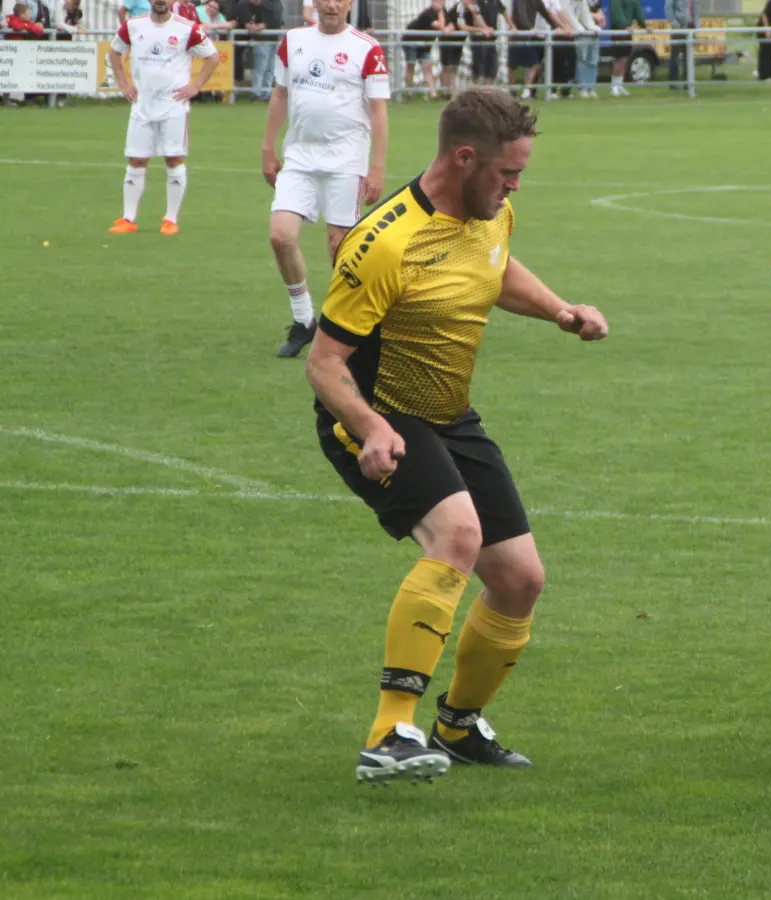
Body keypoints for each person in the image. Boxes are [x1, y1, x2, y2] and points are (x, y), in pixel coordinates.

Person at [306, 88, 609, 785]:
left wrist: (561, 311)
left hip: (448, 414)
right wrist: (371, 427)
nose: (514, 187)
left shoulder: (489, 210)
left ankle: (457, 726)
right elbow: (324, 364)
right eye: (507, 174)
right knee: (459, 536)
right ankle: (389, 735)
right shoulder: (384, 242)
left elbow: (493, 269)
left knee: (520, 580)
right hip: (373, 411)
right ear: (464, 157)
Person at [262, 0, 389, 358]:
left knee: (342, 251)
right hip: (300, 157)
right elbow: (280, 94)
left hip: (346, 162)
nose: (331, 4)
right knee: (280, 236)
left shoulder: (367, 48)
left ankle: (351, 328)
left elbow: (379, 110)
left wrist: (376, 167)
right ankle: (304, 321)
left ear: (350, 4)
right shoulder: (294, 40)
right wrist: (267, 148)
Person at [106, 0, 219, 236]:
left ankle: (171, 219)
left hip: (173, 105)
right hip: (142, 104)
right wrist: (124, 84)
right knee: (136, 160)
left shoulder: (187, 28)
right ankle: (128, 218)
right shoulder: (133, 25)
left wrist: (195, 86)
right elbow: (115, 52)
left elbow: (212, 57)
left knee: (174, 159)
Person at [403, 0, 448, 98]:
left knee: (427, 67)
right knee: (411, 65)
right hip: (411, 40)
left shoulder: (444, 13)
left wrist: (449, 28)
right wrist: (440, 13)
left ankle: (432, 93)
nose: (441, 3)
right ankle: (409, 92)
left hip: (425, 44)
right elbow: (440, 26)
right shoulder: (427, 14)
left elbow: (448, 25)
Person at [608, 0, 647, 95]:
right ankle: (614, 86)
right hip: (618, 29)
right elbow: (616, 11)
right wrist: (624, 25)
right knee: (619, 58)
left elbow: (637, 11)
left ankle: (619, 84)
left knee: (625, 58)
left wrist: (645, 26)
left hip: (628, 30)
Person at [665, 0, 694, 87]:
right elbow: (668, 7)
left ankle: (688, 82)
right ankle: (674, 82)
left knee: (688, 56)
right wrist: (675, 23)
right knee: (675, 56)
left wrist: (695, 26)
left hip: (690, 28)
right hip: (678, 28)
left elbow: (694, 9)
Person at [756, 0, 771, 80]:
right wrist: (767, 30)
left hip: (767, 28)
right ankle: (765, 74)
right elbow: (764, 15)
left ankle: (766, 74)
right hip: (764, 29)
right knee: (769, 51)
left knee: (770, 51)